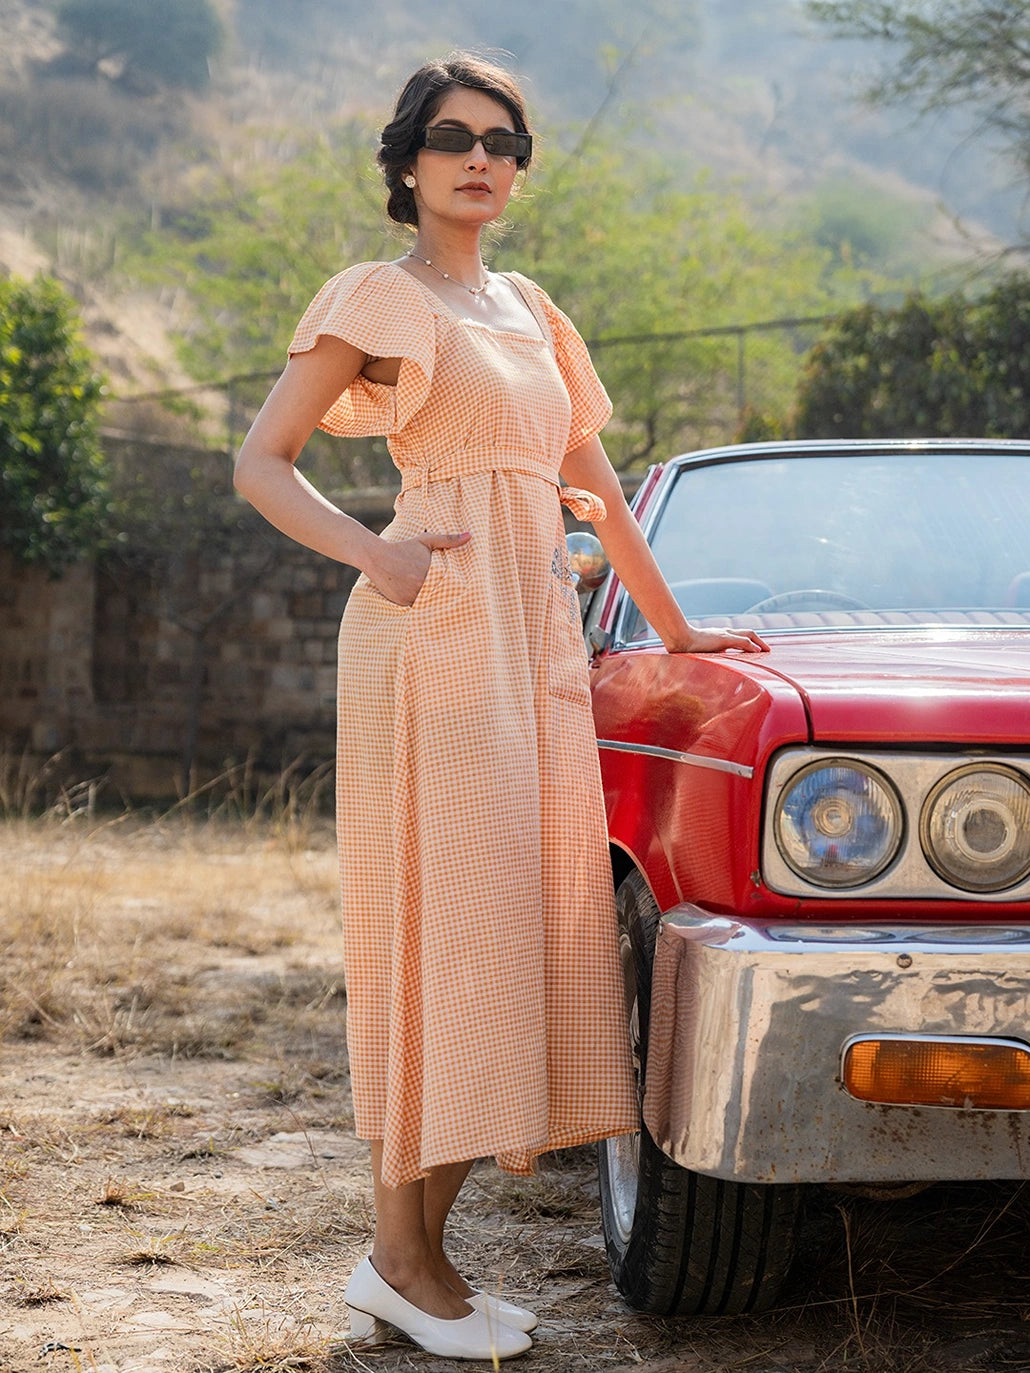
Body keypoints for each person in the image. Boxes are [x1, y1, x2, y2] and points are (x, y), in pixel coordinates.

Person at [234, 51, 769, 1364]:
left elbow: (594, 481)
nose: (480, 158)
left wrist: (675, 627)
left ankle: (405, 1260)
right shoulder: (379, 295)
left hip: (536, 642)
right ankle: (404, 1261)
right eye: (452, 137)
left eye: (503, 142)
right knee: (449, 934)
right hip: (434, 631)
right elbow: (262, 462)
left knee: (523, 936)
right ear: (408, 163)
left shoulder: (531, 308)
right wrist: (380, 555)